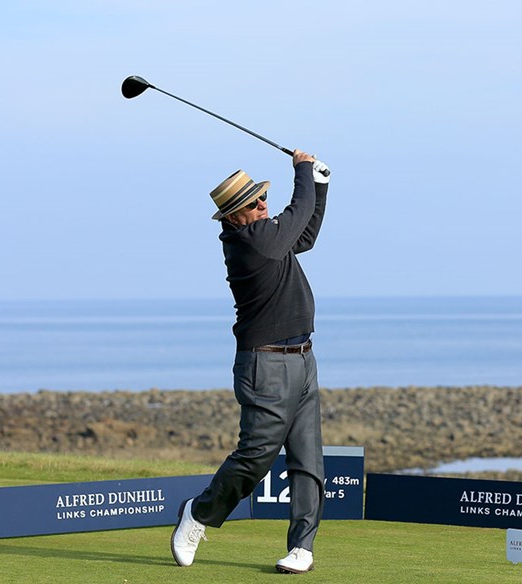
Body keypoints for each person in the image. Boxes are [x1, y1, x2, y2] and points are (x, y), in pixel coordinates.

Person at [171, 150, 331, 574]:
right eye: (255, 204)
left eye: (263, 200)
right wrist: (302, 172)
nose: (264, 207)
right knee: (256, 456)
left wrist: (321, 183)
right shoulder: (250, 242)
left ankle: (302, 547)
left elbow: (306, 233)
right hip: (265, 365)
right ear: (233, 218)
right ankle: (199, 514)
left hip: (303, 358)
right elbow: (297, 214)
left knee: (307, 457)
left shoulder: (270, 238)